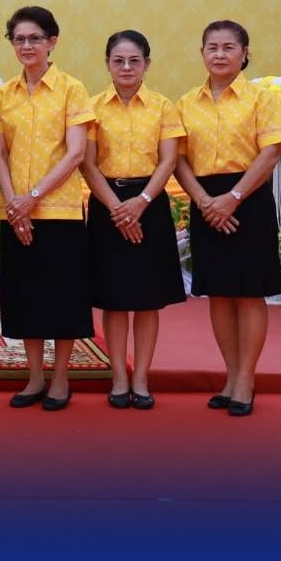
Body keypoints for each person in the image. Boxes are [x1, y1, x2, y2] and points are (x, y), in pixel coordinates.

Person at [173, 20, 281, 418]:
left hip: (249, 199)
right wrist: (207, 201)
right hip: (205, 200)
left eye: (229, 47)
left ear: (244, 53)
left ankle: (247, 378)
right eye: (212, 47)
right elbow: (178, 160)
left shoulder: (260, 99)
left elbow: (271, 153)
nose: (220, 54)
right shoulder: (187, 102)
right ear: (202, 53)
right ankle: (230, 375)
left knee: (249, 291)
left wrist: (233, 197)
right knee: (220, 291)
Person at [0, 6, 95, 411]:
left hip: (60, 211)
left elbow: (75, 153)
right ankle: (34, 376)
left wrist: (32, 197)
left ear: (53, 42)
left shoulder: (72, 89)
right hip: (15, 212)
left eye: (36, 38)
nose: (27, 46)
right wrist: (15, 205)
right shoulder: (3, 94)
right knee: (25, 297)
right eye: (19, 39)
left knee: (62, 298)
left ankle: (61, 377)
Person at [81, 30, 187, 410]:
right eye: (118, 61)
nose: (126, 68)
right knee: (113, 298)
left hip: (150, 203)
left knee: (146, 299)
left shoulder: (163, 107)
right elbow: (87, 164)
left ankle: (141, 377)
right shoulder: (91, 108)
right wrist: (116, 208)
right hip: (107, 202)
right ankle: (119, 376)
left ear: (147, 64)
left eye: (134, 61)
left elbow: (169, 160)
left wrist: (140, 202)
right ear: (107, 63)